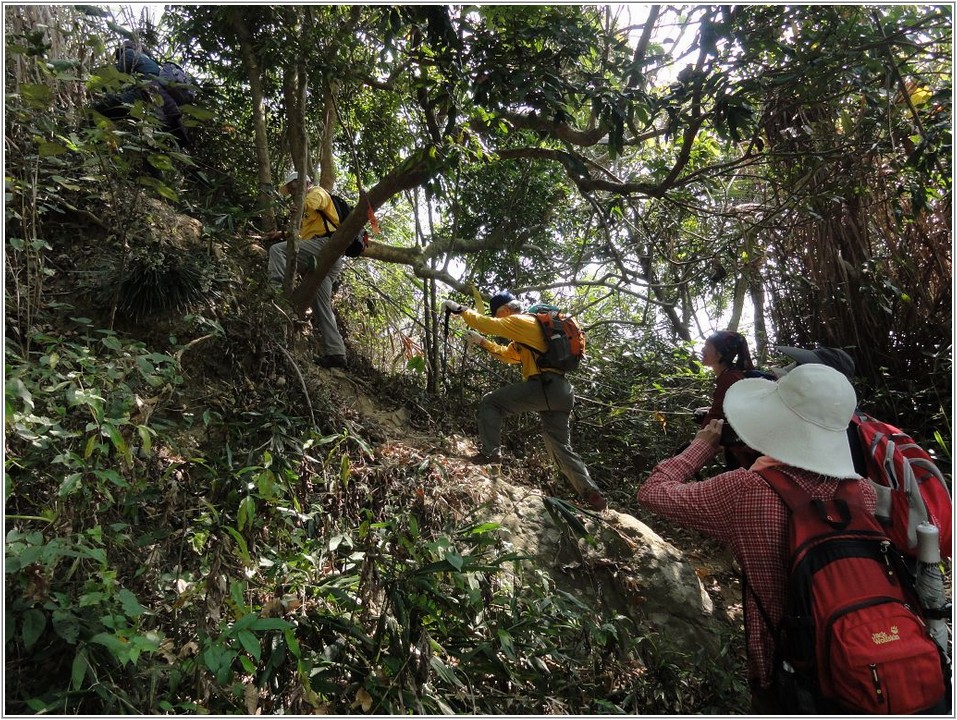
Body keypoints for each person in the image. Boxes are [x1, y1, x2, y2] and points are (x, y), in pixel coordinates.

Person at [637, 363, 876, 713]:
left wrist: (701, 446)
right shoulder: (864, 493)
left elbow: (652, 492)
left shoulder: (747, 489)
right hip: (865, 659)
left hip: (786, 670)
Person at [442, 291, 607, 511]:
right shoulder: (531, 330)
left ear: (506, 310)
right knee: (558, 446)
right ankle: (591, 493)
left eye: (498, 314)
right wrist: (482, 342)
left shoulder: (521, 321)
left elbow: (488, 324)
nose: (500, 319)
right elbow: (510, 356)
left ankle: (491, 455)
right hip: (561, 392)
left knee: (491, 403)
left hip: (543, 386)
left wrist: (462, 310)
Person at [267, 171, 348, 368]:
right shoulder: (305, 212)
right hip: (326, 257)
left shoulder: (317, 192)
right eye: (291, 189)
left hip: (325, 246)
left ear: (304, 183)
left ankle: (275, 291)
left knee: (278, 251)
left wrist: (301, 205)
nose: (293, 191)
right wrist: (281, 233)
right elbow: (301, 235)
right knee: (322, 304)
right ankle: (336, 353)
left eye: (295, 187)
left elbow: (315, 202)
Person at [94, 40, 191, 150]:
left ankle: (91, 135)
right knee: (155, 143)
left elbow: (116, 76)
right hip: (166, 104)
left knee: (100, 110)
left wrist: (95, 86)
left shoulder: (129, 53)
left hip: (147, 92)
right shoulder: (151, 63)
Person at [694, 330, 760, 470]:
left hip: (745, 457)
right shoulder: (733, 375)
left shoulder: (729, 379)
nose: (703, 349)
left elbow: (717, 415)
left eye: (708, 346)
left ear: (721, 353)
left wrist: (695, 446)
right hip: (747, 451)